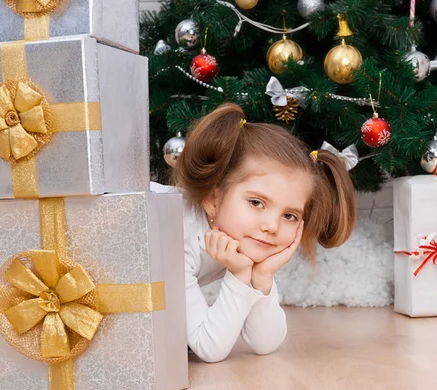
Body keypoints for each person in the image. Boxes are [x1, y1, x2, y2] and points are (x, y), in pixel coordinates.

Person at [152, 102, 356, 363]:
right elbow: (208, 347)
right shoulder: (174, 234)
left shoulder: (238, 239)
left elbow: (265, 342)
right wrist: (238, 275)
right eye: (256, 203)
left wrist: (261, 276)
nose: (272, 226)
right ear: (213, 199)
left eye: (289, 216)